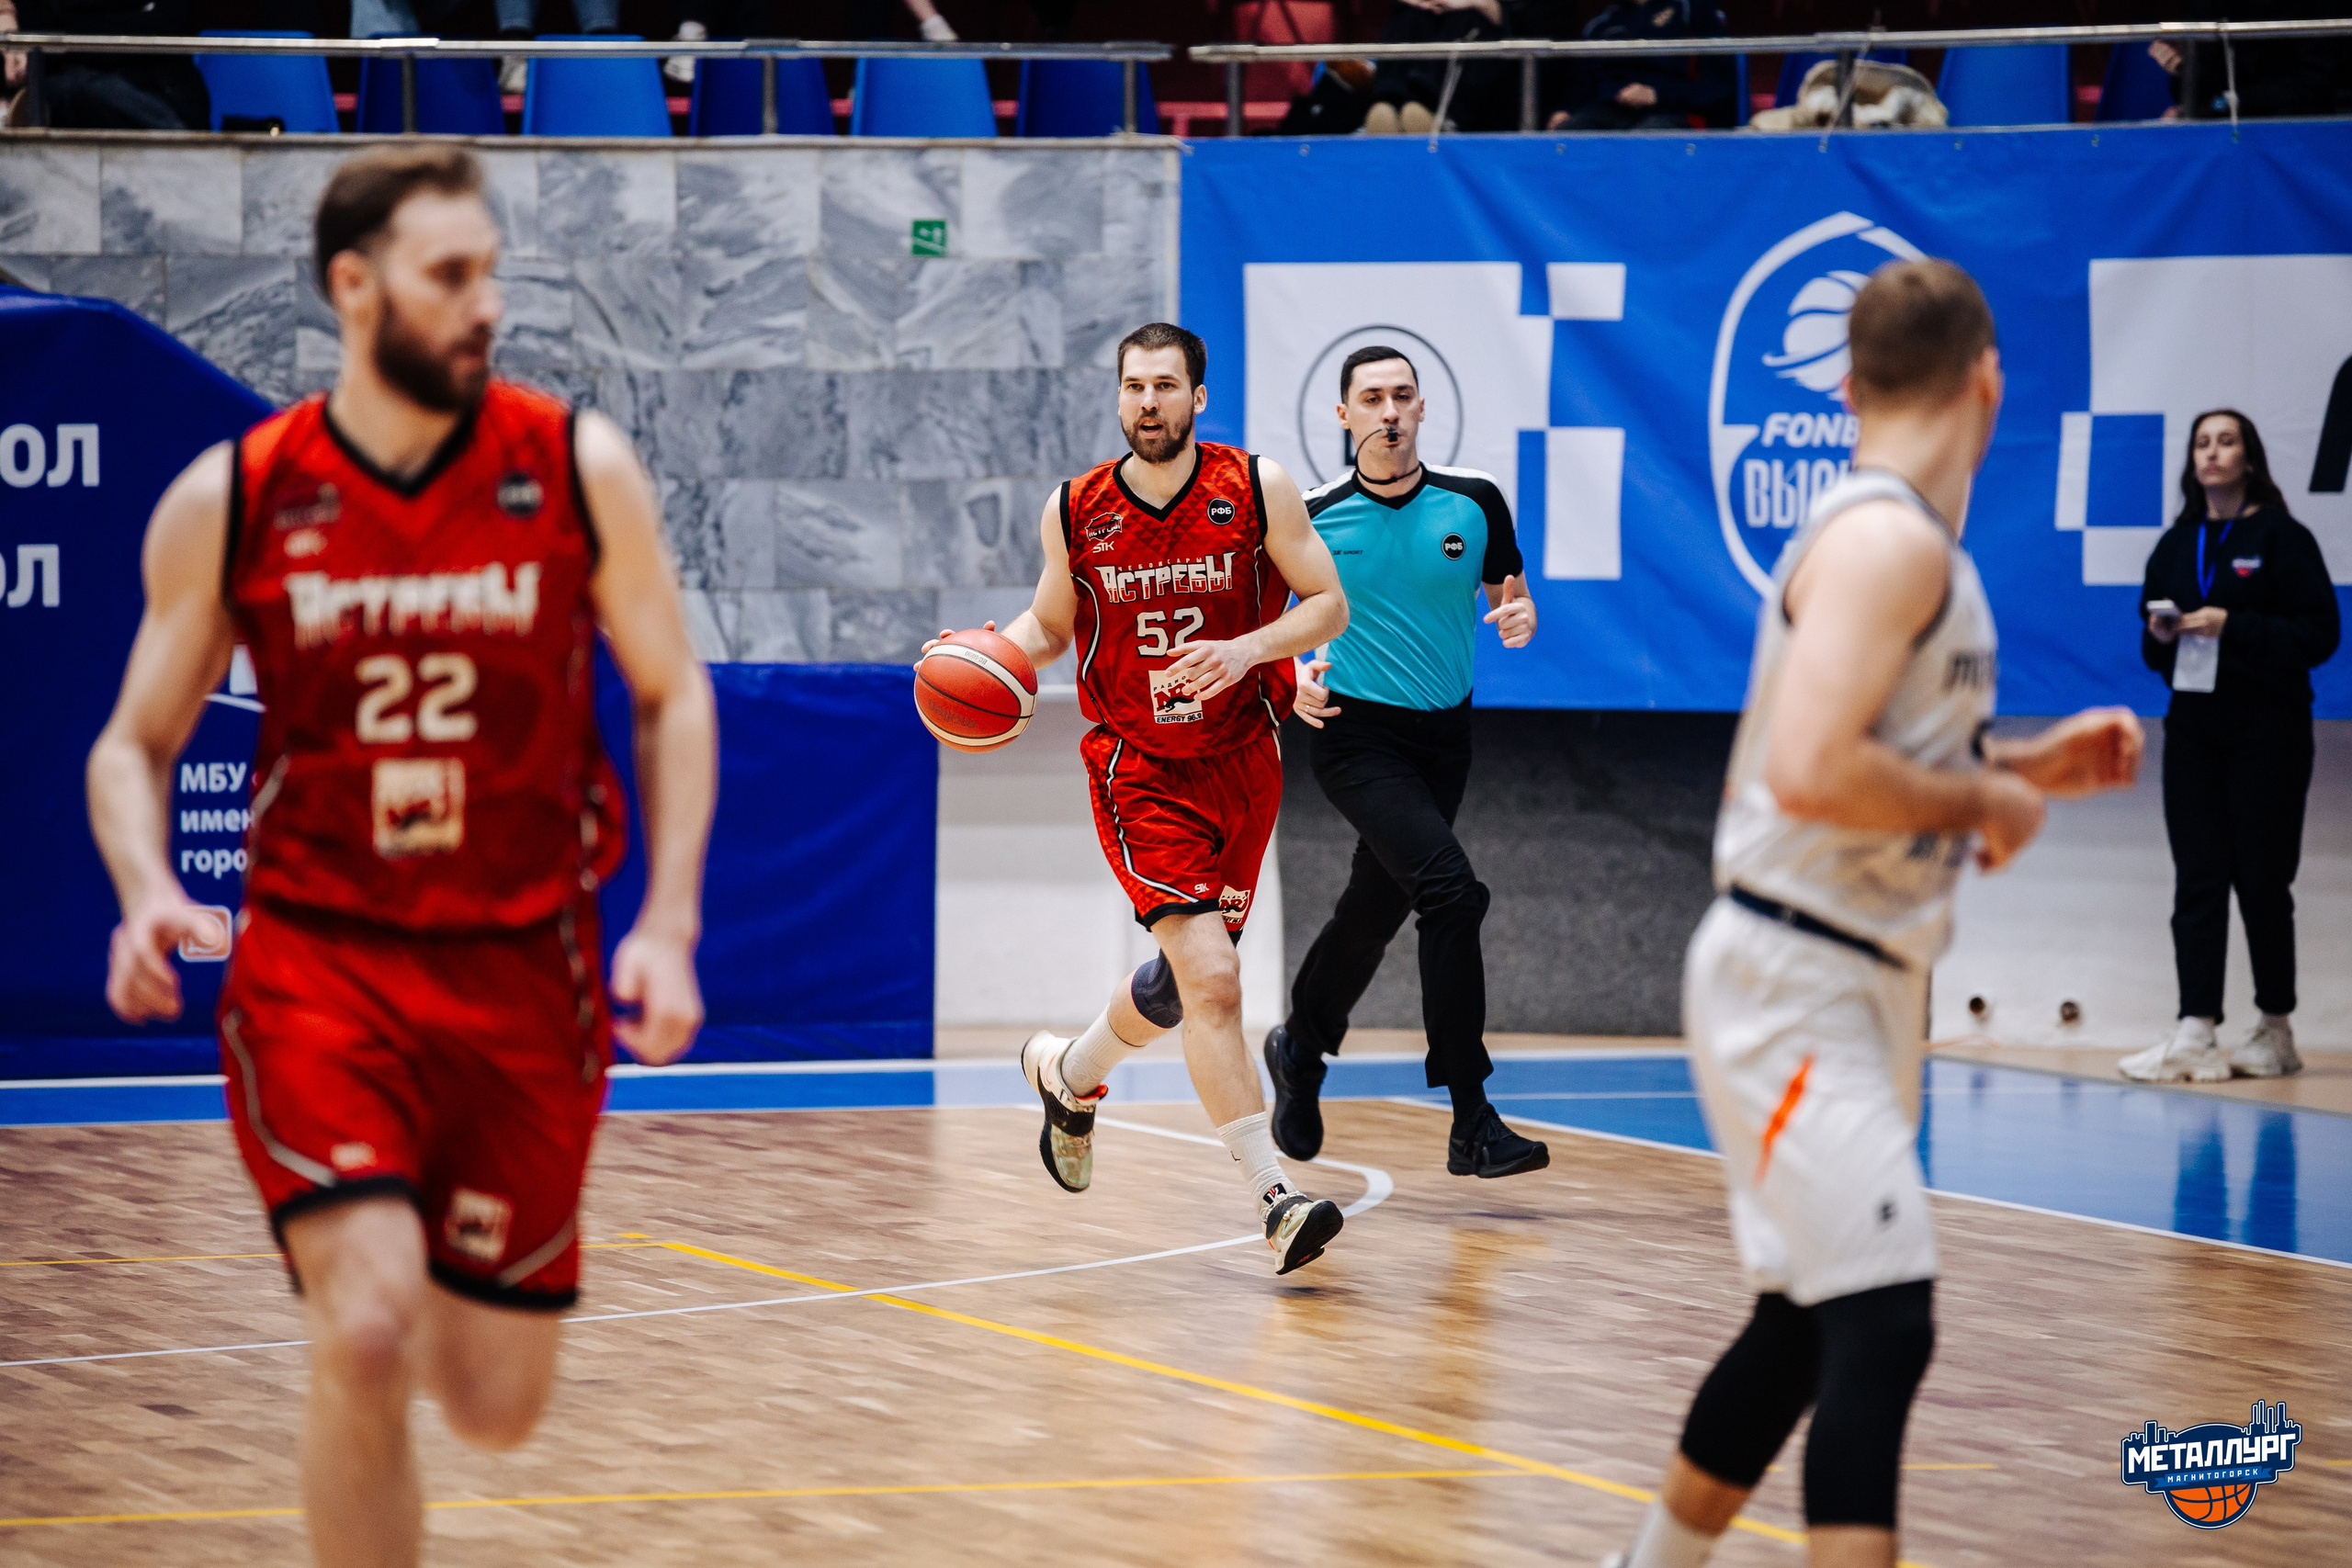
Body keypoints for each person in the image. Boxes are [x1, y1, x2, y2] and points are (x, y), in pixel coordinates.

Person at [85, 145, 718, 1568]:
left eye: (491, 269)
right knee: (364, 1328)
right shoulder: (238, 495)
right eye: (451, 276)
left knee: (493, 1404)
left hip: (523, 970)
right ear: (355, 287)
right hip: (321, 962)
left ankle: (425, 1229)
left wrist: (668, 918)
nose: (484, 301)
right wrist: (145, 887)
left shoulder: (573, 465)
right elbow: (129, 744)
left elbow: (675, 695)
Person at [1602, 260, 2142, 1568]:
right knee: (1887, 1321)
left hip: (1852, 972)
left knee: (1803, 1319)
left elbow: (1864, 753)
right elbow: (1809, 765)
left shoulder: (1899, 537)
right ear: (1990, 379)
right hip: (1795, 977)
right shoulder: (1886, 538)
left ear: (1846, 386)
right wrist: (1984, 805)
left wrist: (2024, 765)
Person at [943, 321, 1355, 1276]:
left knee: (1179, 990)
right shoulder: (1076, 508)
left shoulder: (1255, 487)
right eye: (1133, 387)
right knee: (1213, 981)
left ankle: (1069, 1073)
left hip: (1245, 759)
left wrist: (1249, 651)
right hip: (1140, 772)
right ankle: (1274, 1198)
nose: (1147, 403)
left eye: (1165, 387)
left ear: (1197, 397)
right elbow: (1049, 627)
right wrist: (987, 660)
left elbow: (1325, 603)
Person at [1263, 344, 1550, 1179]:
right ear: (1344, 416)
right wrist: (1292, 678)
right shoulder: (1311, 514)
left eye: (1403, 396)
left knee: (1372, 910)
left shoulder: (1476, 501)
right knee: (1451, 893)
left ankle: (1301, 1046)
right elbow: (1272, 628)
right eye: (1371, 398)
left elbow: (1510, 593)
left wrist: (1521, 613)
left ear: (1423, 409)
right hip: (1356, 738)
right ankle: (1471, 1115)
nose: (1389, 411)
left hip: (1444, 741)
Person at [2121, 410, 2339, 1084]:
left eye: (2226, 441)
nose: (2213, 453)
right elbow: (2150, 645)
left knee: (2263, 880)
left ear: (2249, 456)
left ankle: (2276, 1027)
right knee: (2199, 876)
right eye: (2202, 442)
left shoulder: (2281, 537)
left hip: (2267, 731)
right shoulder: (2175, 542)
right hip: (2193, 728)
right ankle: (2196, 1030)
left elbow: (2320, 634)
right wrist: (2161, 638)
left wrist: (2233, 625)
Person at [4, 0, 210, 130]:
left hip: (161, 94)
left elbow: (165, 25)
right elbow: (31, 38)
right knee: (72, 88)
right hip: (60, 94)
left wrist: (64, 40)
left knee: (85, 88)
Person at [1545, 0, 1735, 131]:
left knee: (1643, 142)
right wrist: (1566, 110)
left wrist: (1657, 94)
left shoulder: (1691, 8)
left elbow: (1719, 85)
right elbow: (1580, 85)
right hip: (1608, 112)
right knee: (1567, 137)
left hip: (1669, 112)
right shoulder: (1600, 24)